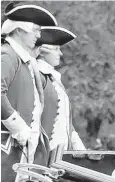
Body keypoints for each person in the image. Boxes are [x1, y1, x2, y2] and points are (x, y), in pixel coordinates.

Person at [1, 2, 57, 182]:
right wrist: (17, 125)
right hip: (7, 143)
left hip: (20, 146)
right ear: (20, 29)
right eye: (34, 29)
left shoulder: (22, 60)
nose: (38, 36)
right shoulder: (8, 55)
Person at [35, 26, 86, 157]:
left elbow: (64, 120)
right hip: (43, 154)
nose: (61, 53)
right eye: (56, 49)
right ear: (42, 51)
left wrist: (78, 146)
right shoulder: (38, 76)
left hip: (61, 154)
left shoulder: (54, 79)